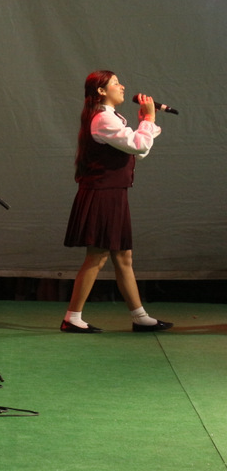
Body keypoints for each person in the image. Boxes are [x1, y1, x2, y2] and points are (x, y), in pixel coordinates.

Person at [61, 70, 172, 334]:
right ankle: (72, 318)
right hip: (102, 193)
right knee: (97, 256)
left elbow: (138, 150)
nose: (122, 87)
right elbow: (138, 145)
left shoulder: (112, 117)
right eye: (115, 83)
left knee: (123, 256)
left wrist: (145, 123)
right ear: (101, 91)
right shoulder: (103, 118)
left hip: (113, 193)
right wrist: (149, 120)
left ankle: (140, 317)